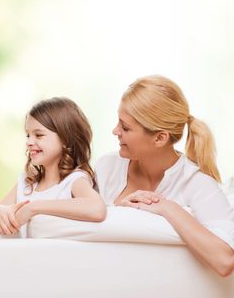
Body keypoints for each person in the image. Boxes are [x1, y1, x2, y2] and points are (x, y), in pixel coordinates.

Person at [95, 75, 234, 277]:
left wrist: (167, 207)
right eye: (118, 122)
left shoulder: (198, 183)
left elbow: (225, 261)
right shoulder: (107, 167)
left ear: (160, 138)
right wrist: (121, 212)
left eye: (125, 127)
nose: (115, 131)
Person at [0, 97, 106, 236]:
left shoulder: (74, 181)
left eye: (38, 135)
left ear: (65, 140)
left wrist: (34, 208)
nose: (29, 142)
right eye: (28, 135)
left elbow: (97, 209)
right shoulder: (26, 183)